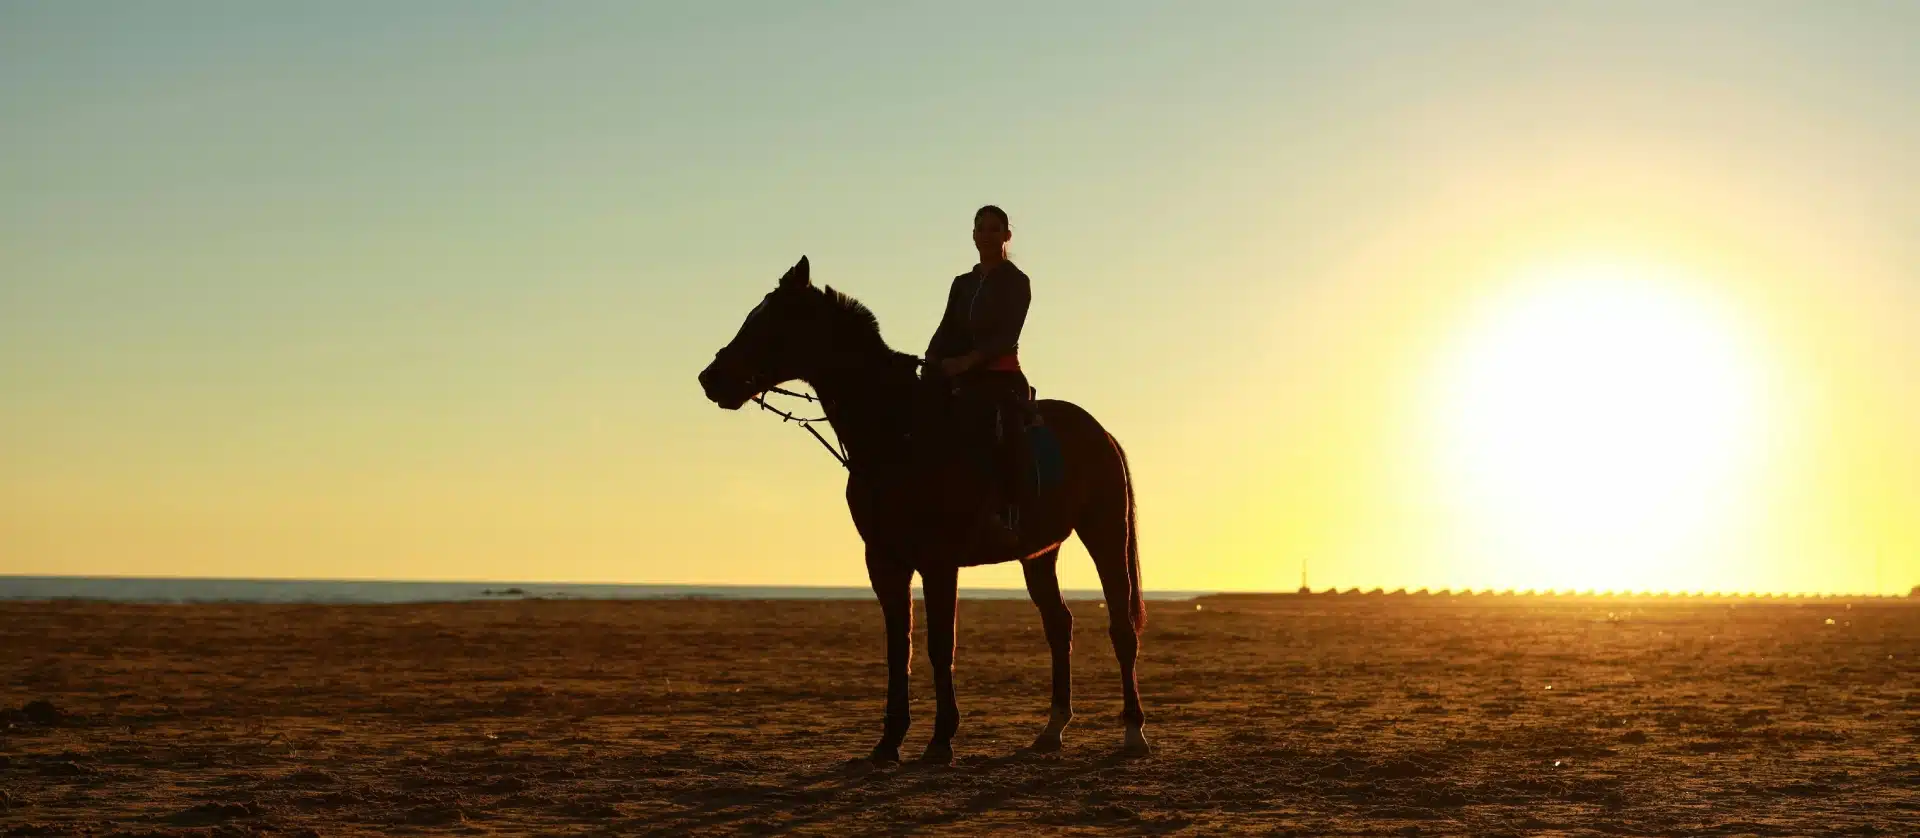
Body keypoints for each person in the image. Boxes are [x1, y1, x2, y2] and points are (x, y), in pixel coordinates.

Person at [924, 205, 1032, 547]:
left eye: (994, 229)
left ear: (1006, 236)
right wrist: (932, 359)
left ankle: (1009, 512)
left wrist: (968, 361)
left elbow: (1006, 336)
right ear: (973, 235)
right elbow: (946, 329)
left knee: (998, 429)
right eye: (980, 229)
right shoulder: (962, 284)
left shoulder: (1016, 282)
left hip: (999, 377)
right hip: (960, 374)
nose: (986, 235)